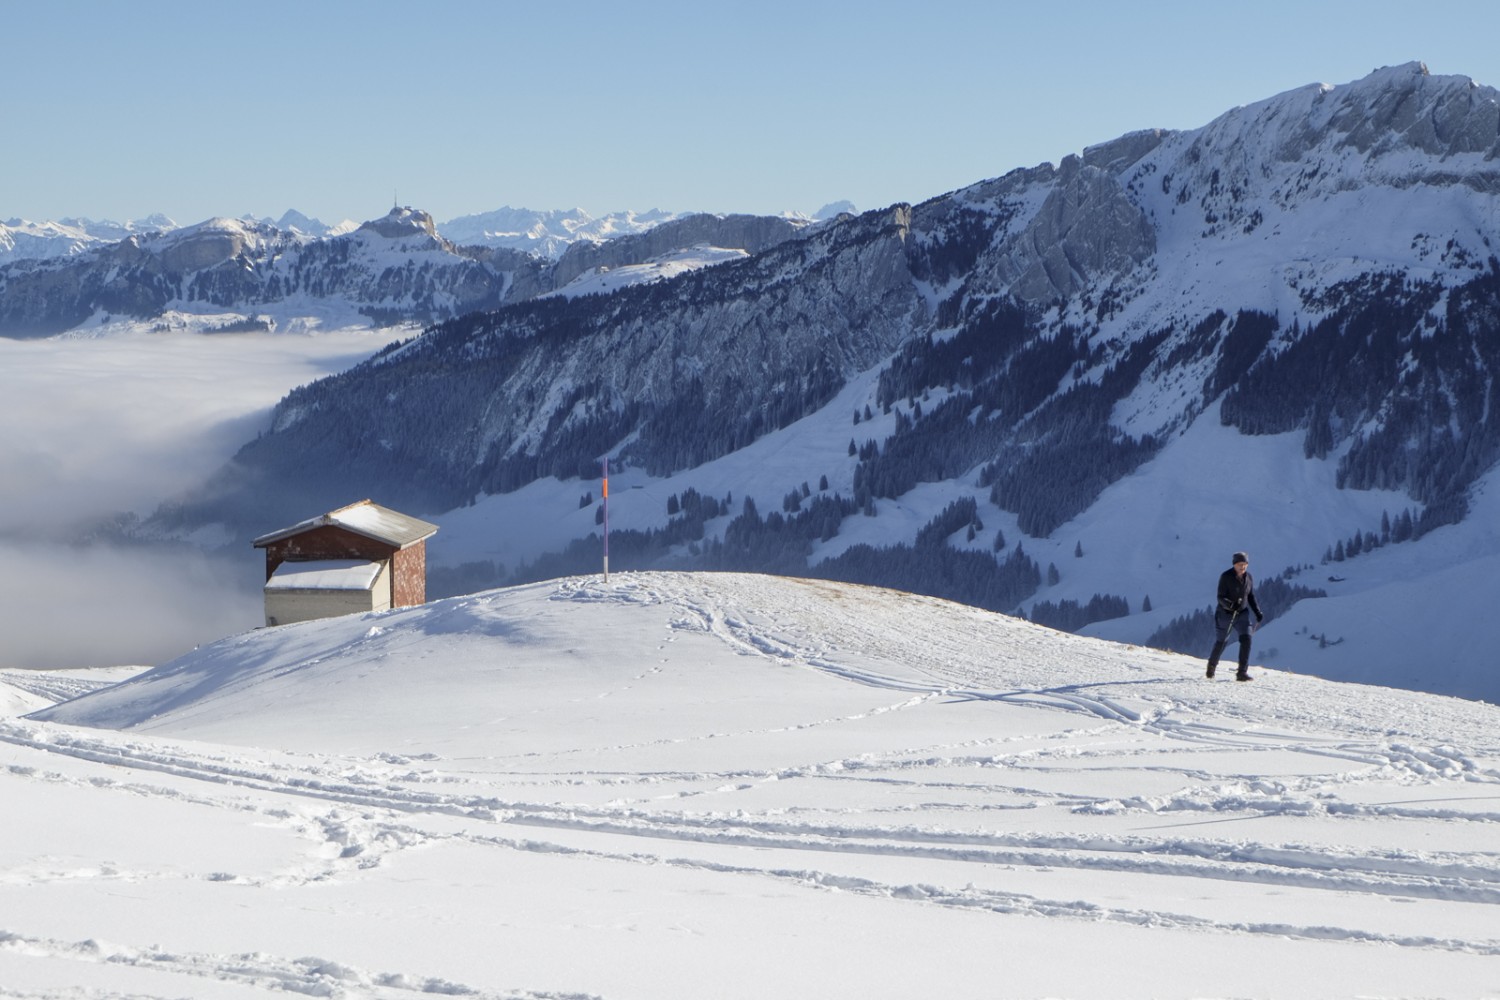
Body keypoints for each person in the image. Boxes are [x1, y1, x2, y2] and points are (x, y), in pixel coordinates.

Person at [1206, 551, 1263, 680]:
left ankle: (1241, 672)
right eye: (1239, 564)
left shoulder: (1248, 577)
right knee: (1222, 641)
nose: (1242, 567)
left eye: (1245, 564)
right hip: (1225, 614)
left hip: (1242, 614)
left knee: (1246, 639)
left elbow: (1250, 596)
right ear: (1234, 564)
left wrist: (1257, 612)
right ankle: (1211, 666)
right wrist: (1230, 605)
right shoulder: (1226, 577)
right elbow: (1220, 597)